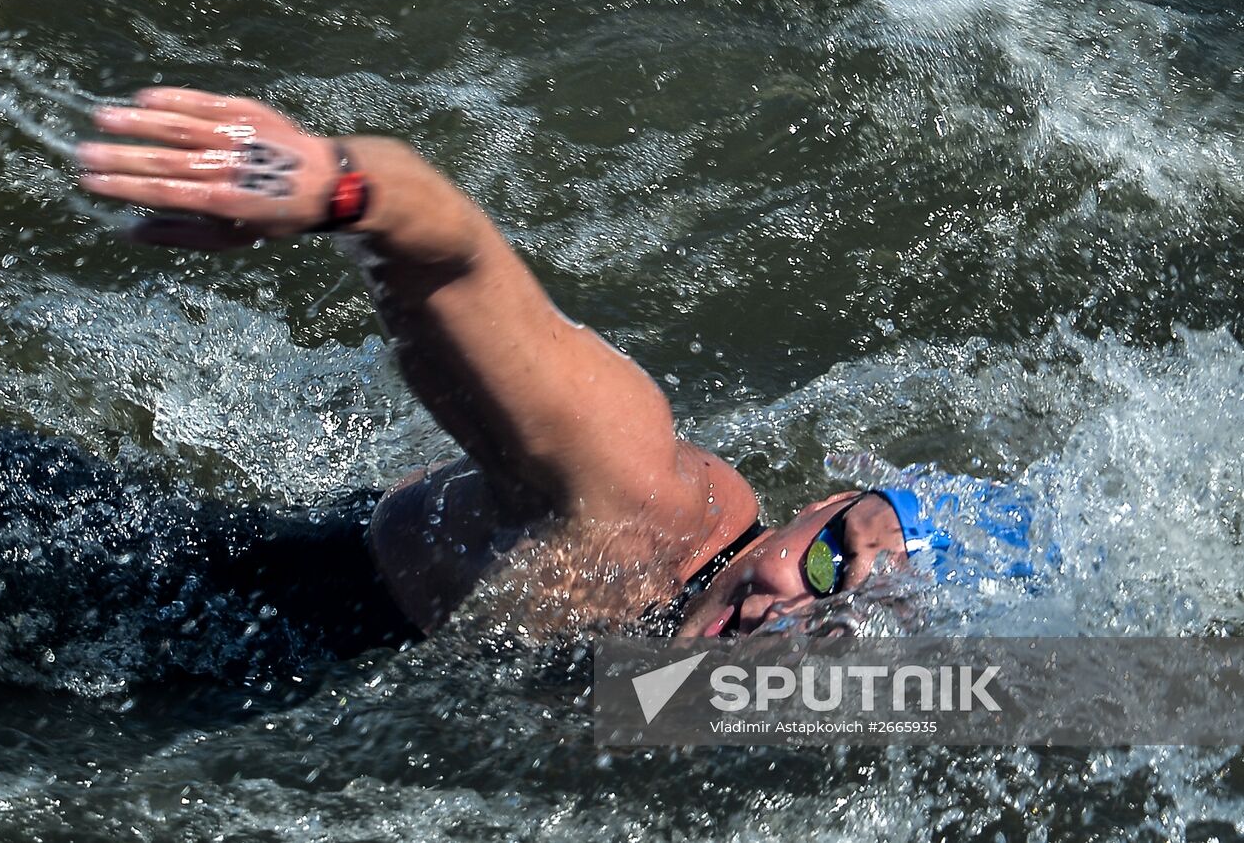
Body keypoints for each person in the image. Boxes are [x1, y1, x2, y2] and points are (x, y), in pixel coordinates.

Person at [76, 88, 1042, 642]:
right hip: (116, 587)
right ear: (821, 507)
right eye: (832, 566)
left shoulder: (726, 684)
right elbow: (454, 255)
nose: (792, 619)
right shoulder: (641, 499)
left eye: (851, 637)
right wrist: (332, 187)